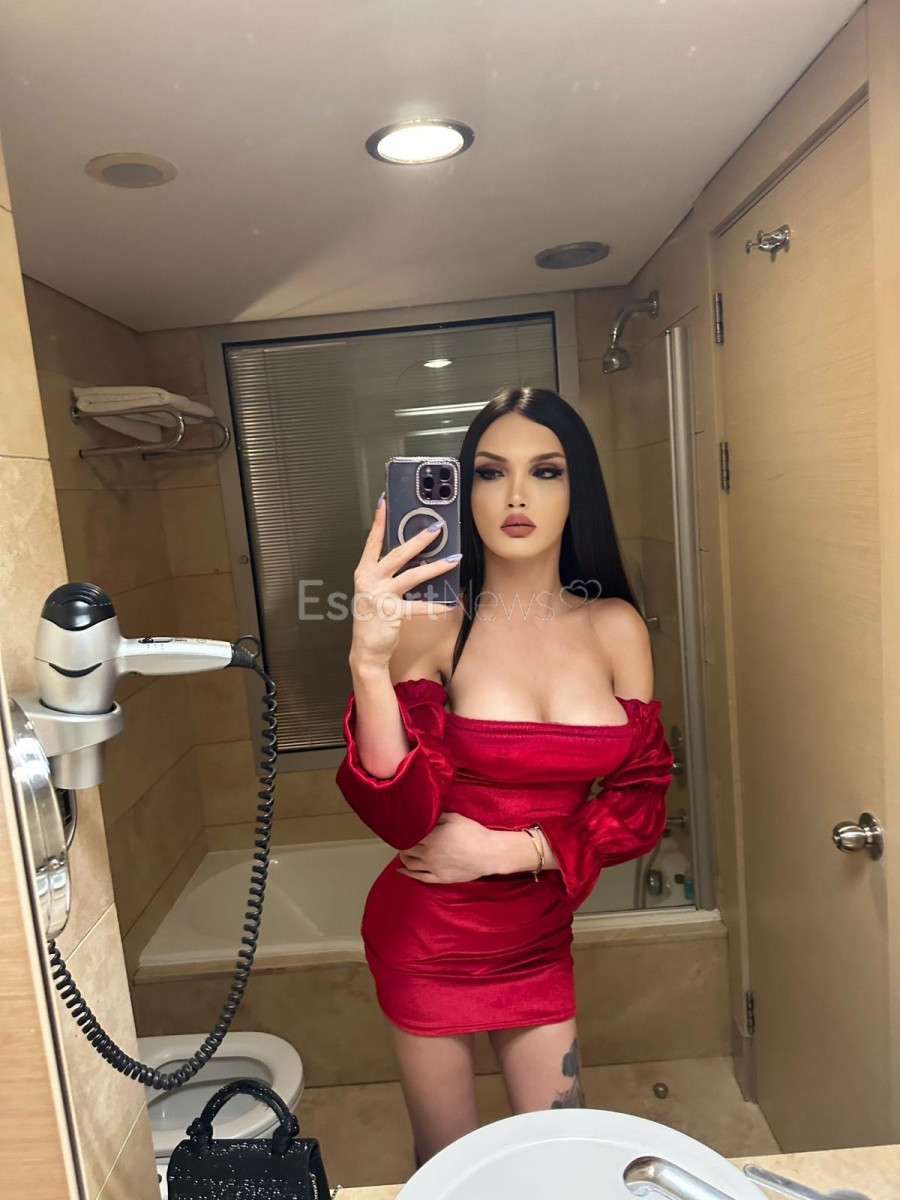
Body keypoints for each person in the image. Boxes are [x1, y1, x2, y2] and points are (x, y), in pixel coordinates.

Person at [335, 386, 674, 1169]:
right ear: (467, 492)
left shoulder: (617, 627)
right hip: (428, 936)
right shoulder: (434, 626)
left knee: (564, 1156)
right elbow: (399, 815)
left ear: (577, 490)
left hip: (538, 936)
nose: (517, 495)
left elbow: (642, 798)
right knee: (449, 1160)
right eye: (491, 472)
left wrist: (517, 850)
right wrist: (369, 662)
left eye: (545, 471)